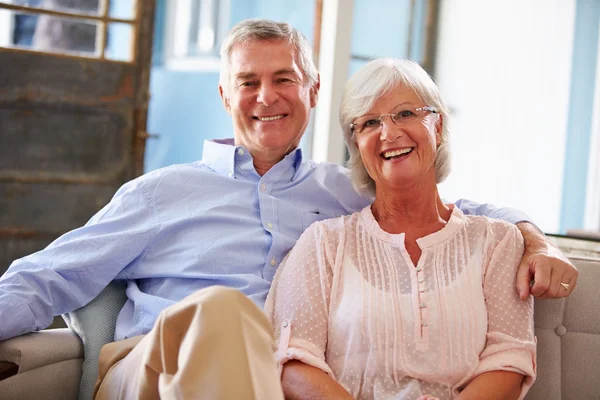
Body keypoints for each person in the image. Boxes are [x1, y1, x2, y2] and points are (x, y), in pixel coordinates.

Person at [0, 19, 572, 399]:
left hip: (268, 386)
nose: (265, 97)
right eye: (247, 82)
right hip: (154, 371)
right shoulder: (160, 192)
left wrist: (536, 240)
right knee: (228, 314)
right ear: (226, 96)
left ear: (313, 92)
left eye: (284, 79)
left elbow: (454, 210)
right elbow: (50, 275)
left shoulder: (345, 192)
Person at [265, 58, 536, 400]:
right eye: (370, 122)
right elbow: (294, 365)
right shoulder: (323, 243)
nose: (389, 132)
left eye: (406, 114)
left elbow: (508, 359)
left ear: (437, 127)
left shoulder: (496, 241)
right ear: (358, 147)